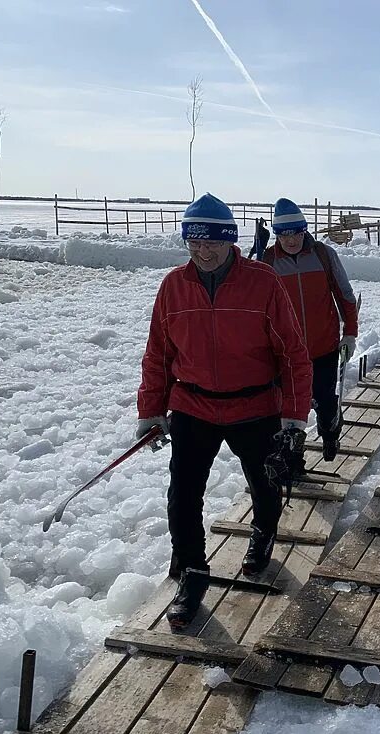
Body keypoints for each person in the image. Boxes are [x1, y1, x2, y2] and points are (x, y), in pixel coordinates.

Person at [137, 193, 312, 628]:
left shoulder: (263, 283)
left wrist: (294, 420)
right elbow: (158, 352)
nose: (203, 251)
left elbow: (293, 355)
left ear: (230, 241)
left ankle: (263, 531)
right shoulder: (173, 285)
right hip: (192, 405)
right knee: (182, 497)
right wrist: (151, 411)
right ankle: (193, 572)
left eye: (212, 243)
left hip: (254, 405)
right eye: (194, 243)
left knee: (264, 482)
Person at [261, 198, 358, 464]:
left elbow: (345, 297)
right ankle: (294, 461)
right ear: (277, 234)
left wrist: (350, 332)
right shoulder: (267, 260)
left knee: (325, 403)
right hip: (284, 354)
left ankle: (330, 432)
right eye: (284, 234)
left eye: (297, 233)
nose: (291, 240)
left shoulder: (324, 255)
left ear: (305, 230)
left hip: (323, 348)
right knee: (288, 409)